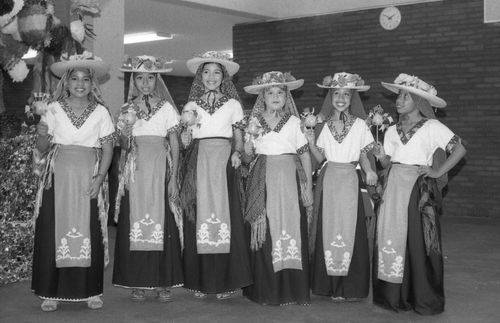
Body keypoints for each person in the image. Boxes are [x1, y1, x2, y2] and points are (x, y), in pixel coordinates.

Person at [372, 73, 466, 315]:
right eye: (399, 96)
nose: (399, 100)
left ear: (419, 101)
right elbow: (387, 164)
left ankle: (422, 298)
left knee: (418, 243)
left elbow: (459, 149)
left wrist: (437, 171)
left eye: (406, 96)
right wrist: (382, 156)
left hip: (417, 191)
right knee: (391, 239)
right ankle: (393, 296)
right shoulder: (391, 129)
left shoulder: (432, 126)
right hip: (393, 189)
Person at [31, 51, 115, 311]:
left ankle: (90, 291)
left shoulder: (101, 112)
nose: (80, 84)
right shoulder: (53, 109)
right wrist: (42, 133)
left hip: (89, 176)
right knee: (53, 228)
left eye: (86, 79)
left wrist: (100, 178)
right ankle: (50, 292)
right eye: (74, 79)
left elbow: (109, 146)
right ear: (65, 82)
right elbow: (43, 148)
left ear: (93, 84)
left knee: (91, 227)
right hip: (57, 178)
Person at [179, 51, 252, 299]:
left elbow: (240, 136)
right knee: (198, 214)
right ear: (201, 76)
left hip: (224, 162)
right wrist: (185, 138)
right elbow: (185, 140)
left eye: (217, 72)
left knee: (228, 216)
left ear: (224, 77)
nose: (211, 77)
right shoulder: (192, 105)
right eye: (207, 72)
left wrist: (238, 153)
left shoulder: (233, 105)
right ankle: (200, 280)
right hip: (198, 161)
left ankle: (227, 281)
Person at [112, 56, 183, 302]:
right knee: (135, 220)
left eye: (150, 78)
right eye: (140, 77)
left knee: (164, 222)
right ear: (134, 80)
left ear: (157, 79)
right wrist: (126, 133)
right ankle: (137, 281)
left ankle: (164, 281)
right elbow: (122, 145)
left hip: (161, 168)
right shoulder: (126, 108)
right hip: (135, 170)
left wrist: (174, 177)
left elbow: (174, 143)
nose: (145, 83)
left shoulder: (167, 108)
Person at [242, 71, 313, 305]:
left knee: (291, 228)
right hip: (263, 179)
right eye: (269, 92)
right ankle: (265, 290)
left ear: (287, 97)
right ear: (262, 96)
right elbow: (247, 158)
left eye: (280, 92)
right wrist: (248, 145)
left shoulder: (294, 122)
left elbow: (303, 154)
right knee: (266, 230)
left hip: (290, 182)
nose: (275, 96)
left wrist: (308, 187)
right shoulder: (253, 122)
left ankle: (292, 289)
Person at [305, 72, 377, 302]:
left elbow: (364, 155)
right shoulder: (323, 126)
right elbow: (319, 157)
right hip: (329, 181)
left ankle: (350, 286)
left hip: (350, 181)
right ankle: (328, 286)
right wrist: (309, 142)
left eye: (346, 94)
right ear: (329, 96)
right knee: (327, 228)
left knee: (351, 228)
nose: (341, 98)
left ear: (352, 98)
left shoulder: (360, 126)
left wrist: (370, 171)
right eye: (336, 93)